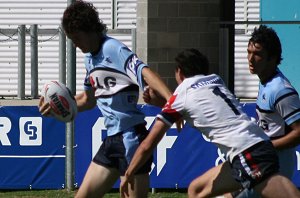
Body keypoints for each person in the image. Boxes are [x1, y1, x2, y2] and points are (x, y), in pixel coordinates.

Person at [38, 1, 177, 197]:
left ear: (89, 30)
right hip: (112, 141)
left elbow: (145, 72)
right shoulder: (89, 59)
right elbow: (88, 99)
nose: (75, 44)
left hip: (132, 139)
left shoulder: (113, 49)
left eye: (76, 38)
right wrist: (55, 110)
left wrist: (172, 100)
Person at [120, 48, 300, 198]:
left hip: (248, 154)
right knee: (196, 190)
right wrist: (161, 103)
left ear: (180, 72)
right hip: (253, 148)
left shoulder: (181, 95)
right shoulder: (216, 80)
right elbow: (198, 110)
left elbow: (147, 144)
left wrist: (128, 174)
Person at [226, 25, 300, 198]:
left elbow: (299, 133)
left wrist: (266, 147)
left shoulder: (281, 90)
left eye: (257, 54)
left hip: (276, 166)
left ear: (272, 58)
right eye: (249, 52)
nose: (250, 59)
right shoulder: (266, 81)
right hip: (263, 161)